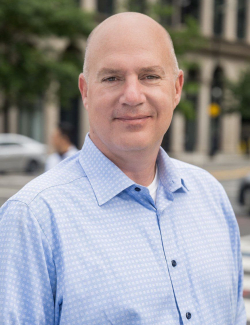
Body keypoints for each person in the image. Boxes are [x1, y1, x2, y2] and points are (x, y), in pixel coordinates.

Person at [0, 12, 246, 325]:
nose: (132, 96)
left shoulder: (210, 194)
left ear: (176, 88)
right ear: (86, 91)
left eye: (150, 76)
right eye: (112, 78)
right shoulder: (34, 218)